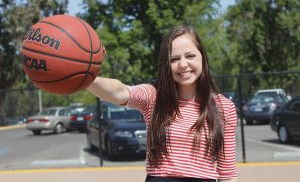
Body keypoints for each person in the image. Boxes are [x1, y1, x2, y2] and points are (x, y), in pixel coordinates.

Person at [87, 26, 238, 182]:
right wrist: (85, 74)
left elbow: (227, 174)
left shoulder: (223, 107)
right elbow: (119, 92)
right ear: (166, 64)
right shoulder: (153, 97)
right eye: (174, 59)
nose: (183, 64)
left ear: (202, 58)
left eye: (190, 56)